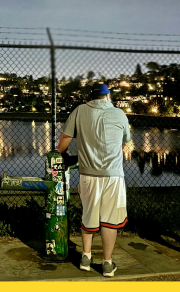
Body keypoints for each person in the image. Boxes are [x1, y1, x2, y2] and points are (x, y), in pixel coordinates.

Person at [56, 84, 131, 277]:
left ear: (91, 98)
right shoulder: (119, 113)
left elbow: (65, 138)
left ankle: (85, 257)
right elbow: (126, 139)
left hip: (88, 174)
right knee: (110, 220)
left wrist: (58, 153)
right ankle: (107, 263)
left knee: (88, 215)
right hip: (113, 175)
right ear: (108, 97)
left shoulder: (80, 110)